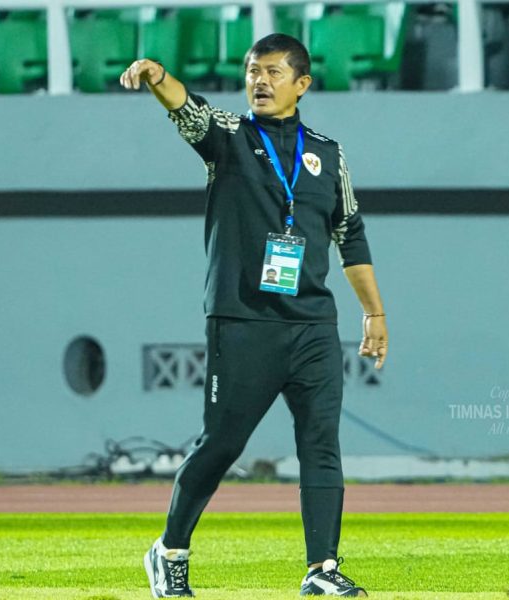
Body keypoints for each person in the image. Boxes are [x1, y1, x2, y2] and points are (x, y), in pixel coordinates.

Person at [120, 33, 388, 598]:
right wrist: (156, 75)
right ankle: (168, 551)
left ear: (302, 84)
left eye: (271, 72)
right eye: (251, 71)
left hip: (313, 324)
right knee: (222, 443)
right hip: (242, 320)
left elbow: (350, 234)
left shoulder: (329, 155)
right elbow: (187, 110)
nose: (259, 81)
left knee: (321, 444)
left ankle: (323, 569)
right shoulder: (230, 138)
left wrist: (374, 313)